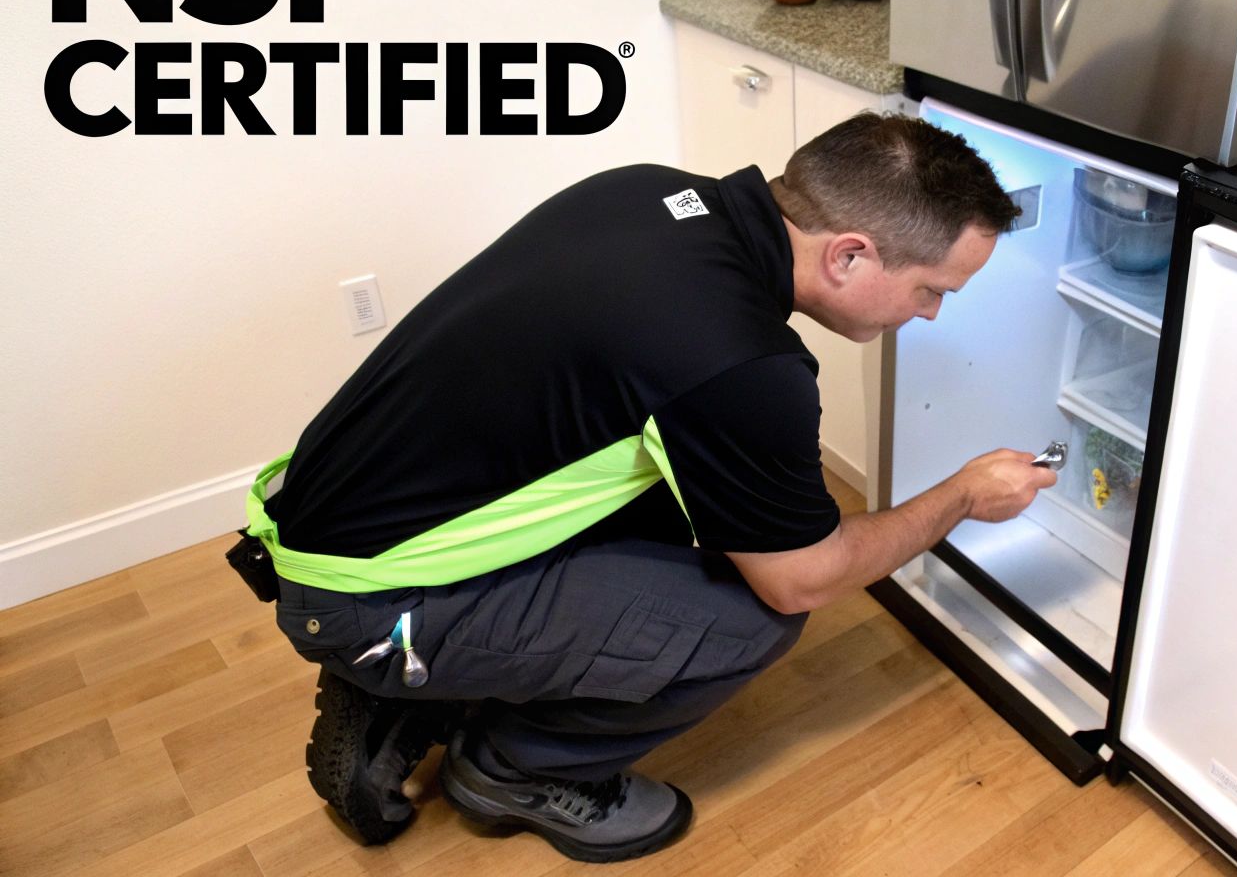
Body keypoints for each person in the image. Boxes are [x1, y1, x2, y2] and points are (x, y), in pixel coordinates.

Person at [239, 112, 1058, 864]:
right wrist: (959, 496)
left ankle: (423, 683)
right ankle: (508, 767)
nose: (933, 316)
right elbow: (806, 574)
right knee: (754, 615)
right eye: (933, 290)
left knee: (717, 511)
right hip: (365, 594)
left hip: (337, 517)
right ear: (849, 253)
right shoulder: (739, 362)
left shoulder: (646, 191)